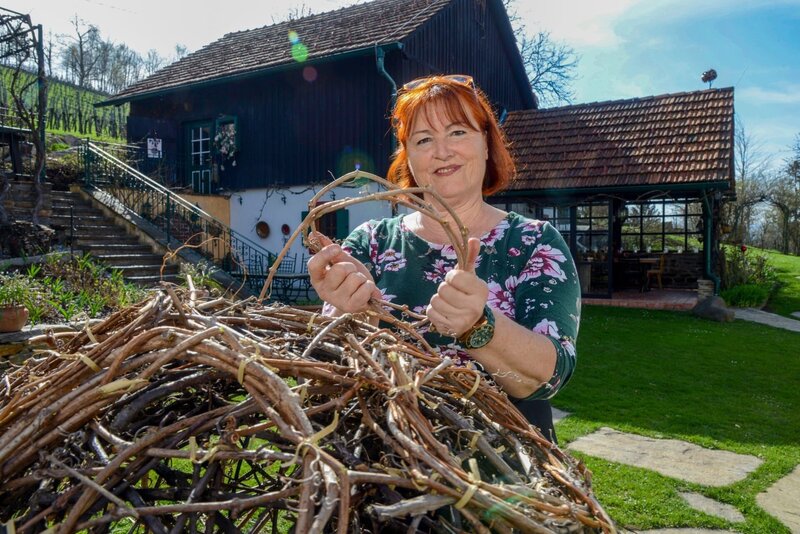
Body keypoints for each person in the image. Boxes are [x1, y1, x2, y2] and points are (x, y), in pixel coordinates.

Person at [307, 74, 580, 442]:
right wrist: (348, 313)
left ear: (486, 144)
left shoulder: (533, 243)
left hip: (502, 473)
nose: (442, 151)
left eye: (457, 132)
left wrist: (479, 326)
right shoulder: (370, 243)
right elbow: (325, 371)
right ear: (409, 158)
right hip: (386, 465)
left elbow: (549, 376)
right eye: (423, 140)